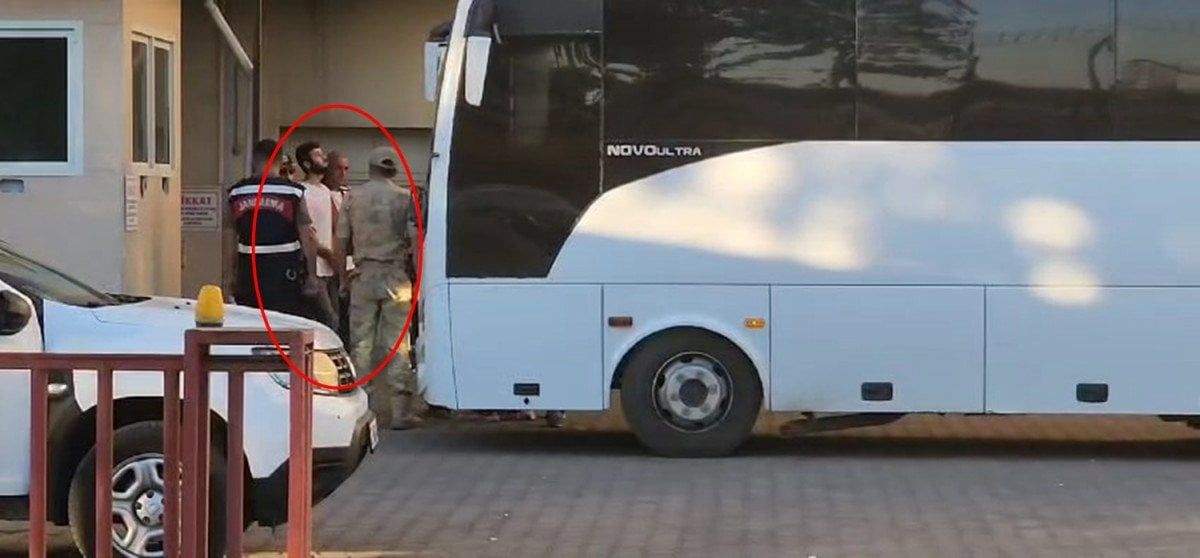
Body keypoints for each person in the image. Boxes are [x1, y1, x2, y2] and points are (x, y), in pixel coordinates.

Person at [336, 147, 419, 430]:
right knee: (398, 342)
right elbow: (415, 241)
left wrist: (342, 277)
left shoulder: (352, 197)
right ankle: (400, 411)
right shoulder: (405, 198)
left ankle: (363, 410)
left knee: (361, 343)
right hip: (396, 276)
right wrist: (419, 278)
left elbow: (340, 240)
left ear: (370, 168)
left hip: (363, 276)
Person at [224, 139, 317, 316]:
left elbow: (229, 235)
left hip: (248, 271)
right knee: (284, 322)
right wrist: (312, 276)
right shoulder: (293, 192)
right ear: (280, 161)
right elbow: (308, 236)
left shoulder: (236, 193)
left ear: (253, 160)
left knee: (251, 321)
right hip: (285, 270)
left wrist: (228, 276)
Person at [294, 141, 338, 329]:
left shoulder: (325, 191)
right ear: (307, 164)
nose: (324, 157)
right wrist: (326, 253)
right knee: (330, 320)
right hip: (314, 268)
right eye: (318, 155)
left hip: (329, 268)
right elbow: (306, 231)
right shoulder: (302, 191)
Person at [323, 150, 353, 341]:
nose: (342, 173)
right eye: (338, 168)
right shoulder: (320, 193)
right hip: (328, 263)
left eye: (346, 169)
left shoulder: (348, 195)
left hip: (349, 262)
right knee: (333, 315)